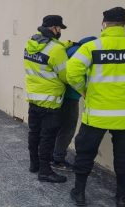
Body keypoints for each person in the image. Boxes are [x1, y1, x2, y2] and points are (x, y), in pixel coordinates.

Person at [67, 7, 125, 207]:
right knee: (124, 156)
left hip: (96, 115)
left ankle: (79, 193)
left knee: (85, 153)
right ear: (124, 24)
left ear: (104, 24)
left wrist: (84, 91)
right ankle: (122, 196)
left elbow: (72, 72)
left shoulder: (92, 47)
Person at [24, 15, 70, 183]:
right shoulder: (57, 50)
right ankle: (45, 171)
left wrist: (64, 45)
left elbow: (47, 52)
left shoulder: (30, 44)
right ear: (53, 28)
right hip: (50, 102)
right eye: (59, 29)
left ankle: (34, 164)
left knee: (34, 133)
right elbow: (66, 76)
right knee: (47, 137)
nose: (60, 32)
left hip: (34, 99)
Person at [51, 36, 97, 171]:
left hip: (59, 95)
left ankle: (52, 155)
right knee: (68, 129)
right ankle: (58, 159)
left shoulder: (70, 50)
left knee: (58, 127)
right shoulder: (79, 52)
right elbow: (74, 74)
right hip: (70, 97)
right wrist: (83, 90)